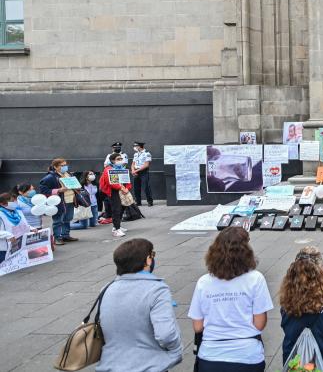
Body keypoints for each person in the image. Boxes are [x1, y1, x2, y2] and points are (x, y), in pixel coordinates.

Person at [189, 227, 272, 372]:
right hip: (248, 356)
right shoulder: (256, 279)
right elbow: (259, 324)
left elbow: (198, 327)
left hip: (210, 357)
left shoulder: (203, 282)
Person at [96, 238, 182, 372]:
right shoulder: (157, 290)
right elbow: (166, 334)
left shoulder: (106, 289)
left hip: (110, 365)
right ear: (148, 260)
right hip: (147, 366)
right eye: (152, 255)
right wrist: (175, 352)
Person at [38, 158, 77, 245]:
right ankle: (57, 237)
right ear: (55, 167)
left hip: (70, 200)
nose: (65, 167)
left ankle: (65, 235)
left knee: (67, 219)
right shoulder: (50, 177)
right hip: (59, 202)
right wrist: (58, 190)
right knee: (58, 220)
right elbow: (43, 190)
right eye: (62, 165)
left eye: (65, 165)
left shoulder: (68, 174)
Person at [99, 153, 131, 238]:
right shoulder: (108, 169)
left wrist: (127, 188)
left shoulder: (122, 168)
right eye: (118, 159)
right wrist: (122, 188)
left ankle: (118, 226)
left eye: (121, 159)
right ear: (113, 160)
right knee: (116, 210)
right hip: (114, 192)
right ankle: (116, 229)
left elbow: (127, 180)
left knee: (122, 208)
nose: (120, 160)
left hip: (123, 191)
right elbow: (112, 183)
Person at [0, 192, 35, 262]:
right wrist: (8, 235)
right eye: (12, 201)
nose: (15, 203)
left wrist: (31, 228)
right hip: (4, 249)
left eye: (15, 200)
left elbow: (23, 224)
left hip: (19, 246)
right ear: (2, 203)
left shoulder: (17, 211)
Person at [131, 142, 154, 207]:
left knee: (146, 187)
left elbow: (146, 165)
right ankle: (138, 202)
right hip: (136, 171)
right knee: (136, 188)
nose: (134, 147)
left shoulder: (147, 153)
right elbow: (133, 163)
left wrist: (136, 170)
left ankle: (150, 201)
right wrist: (133, 170)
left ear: (140, 146)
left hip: (143, 172)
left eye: (135, 146)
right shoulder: (136, 154)